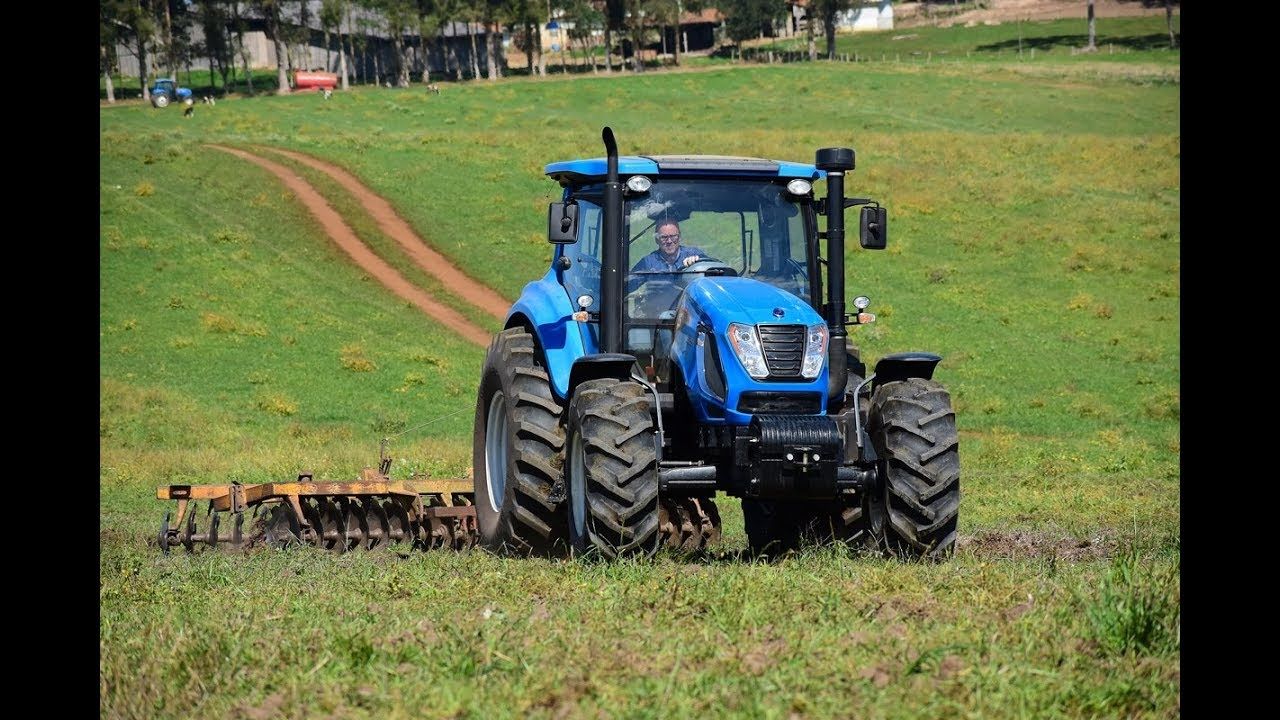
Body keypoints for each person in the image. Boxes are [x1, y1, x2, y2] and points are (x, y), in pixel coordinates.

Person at [630, 219, 711, 273]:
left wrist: (698, 262)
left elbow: (717, 270)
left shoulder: (693, 254)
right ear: (656, 240)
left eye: (673, 236)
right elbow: (627, 284)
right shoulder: (649, 262)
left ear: (679, 237)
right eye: (664, 237)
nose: (669, 241)